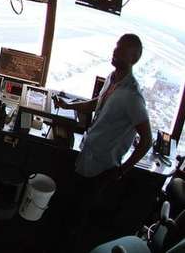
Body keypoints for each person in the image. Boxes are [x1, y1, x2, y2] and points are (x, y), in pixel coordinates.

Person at [54, 33, 152, 250]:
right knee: (72, 205)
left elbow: (147, 141)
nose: (115, 51)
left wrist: (122, 170)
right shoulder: (112, 77)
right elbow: (96, 104)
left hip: (103, 166)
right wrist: (68, 106)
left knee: (80, 213)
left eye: (122, 50)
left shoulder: (133, 96)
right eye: (116, 47)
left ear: (134, 58)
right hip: (87, 154)